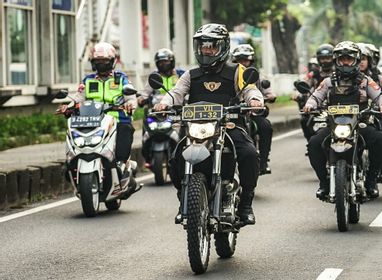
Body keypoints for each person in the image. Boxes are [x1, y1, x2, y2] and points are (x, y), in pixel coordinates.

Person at [154, 23, 263, 225]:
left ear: (222, 47)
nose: (207, 50)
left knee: (249, 154)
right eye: (203, 46)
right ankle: (184, 199)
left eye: (211, 46)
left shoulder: (237, 71)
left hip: (229, 126)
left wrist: (255, 101)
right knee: (176, 157)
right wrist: (163, 103)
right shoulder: (191, 75)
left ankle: (246, 203)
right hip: (197, 128)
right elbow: (176, 94)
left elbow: (250, 90)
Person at [303, 41, 382, 199]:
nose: (345, 62)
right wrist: (309, 105)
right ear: (336, 60)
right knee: (314, 144)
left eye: (348, 59)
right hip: (334, 125)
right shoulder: (329, 82)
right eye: (342, 59)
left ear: (356, 60)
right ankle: (323, 182)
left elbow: (379, 95)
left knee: (381, 140)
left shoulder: (366, 81)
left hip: (360, 124)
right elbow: (315, 96)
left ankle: (371, 181)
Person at [57, 42, 137, 186]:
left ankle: (120, 163)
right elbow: (78, 98)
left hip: (117, 120)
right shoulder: (88, 81)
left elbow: (131, 97)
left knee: (126, 129)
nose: (101, 64)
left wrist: (130, 104)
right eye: (97, 61)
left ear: (112, 61)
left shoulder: (121, 79)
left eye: (105, 61)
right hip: (92, 120)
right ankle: (71, 161)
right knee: (73, 132)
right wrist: (67, 107)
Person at [232, 44, 276, 175]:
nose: (242, 63)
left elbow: (268, 92)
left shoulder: (258, 76)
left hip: (252, 113)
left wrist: (266, 98)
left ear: (251, 61)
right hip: (233, 114)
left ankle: (263, 161)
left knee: (265, 127)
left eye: (245, 60)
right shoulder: (231, 75)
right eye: (239, 60)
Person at [357, 43, 382, 181]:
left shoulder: (377, 77)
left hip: (373, 115)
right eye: (358, 59)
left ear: (369, 61)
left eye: (364, 59)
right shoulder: (340, 77)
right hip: (348, 118)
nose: (360, 62)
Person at [138, 48, 185, 168]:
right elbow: (145, 92)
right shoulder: (154, 77)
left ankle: (184, 157)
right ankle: (147, 156)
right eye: (160, 62)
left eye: (166, 62)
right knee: (146, 127)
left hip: (176, 113)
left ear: (172, 61)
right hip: (156, 112)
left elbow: (187, 89)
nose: (163, 64)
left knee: (186, 134)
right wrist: (141, 99)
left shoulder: (181, 75)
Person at [294, 43, 335, 141]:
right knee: (305, 121)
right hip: (319, 106)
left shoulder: (338, 73)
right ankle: (311, 143)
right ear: (318, 59)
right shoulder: (314, 74)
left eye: (327, 58)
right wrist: (297, 93)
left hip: (337, 106)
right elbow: (305, 83)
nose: (325, 61)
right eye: (322, 58)